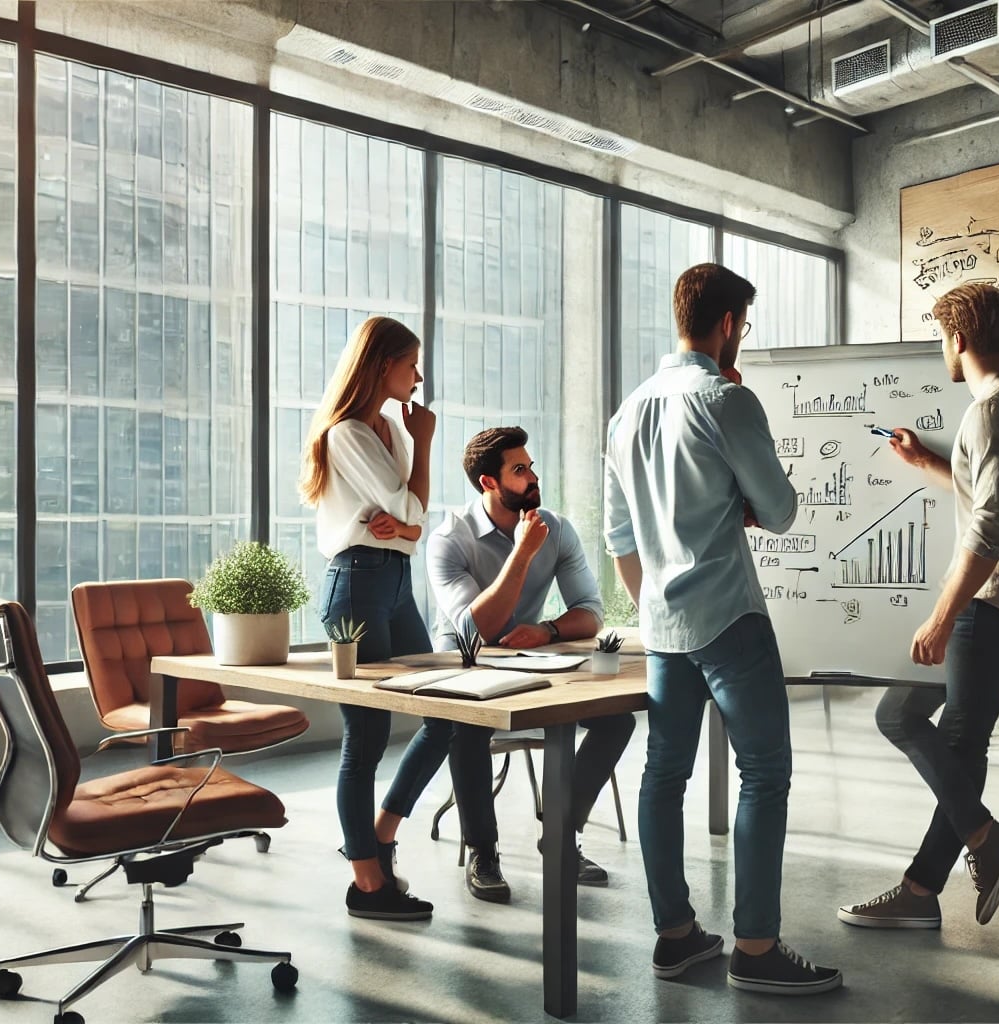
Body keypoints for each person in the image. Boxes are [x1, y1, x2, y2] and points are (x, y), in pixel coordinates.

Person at [604, 263, 841, 996]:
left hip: (664, 627)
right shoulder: (725, 400)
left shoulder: (626, 412)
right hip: (730, 619)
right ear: (729, 323)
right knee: (764, 774)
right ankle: (756, 948)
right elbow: (780, 510)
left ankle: (675, 937)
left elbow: (620, 540)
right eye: (745, 322)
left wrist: (657, 610)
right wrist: (740, 499)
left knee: (662, 777)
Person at [837, 281, 999, 931]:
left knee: (947, 732)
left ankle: (969, 852)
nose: (943, 346)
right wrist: (930, 461)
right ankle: (948, 866)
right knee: (910, 716)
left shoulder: (990, 412)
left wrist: (940, 617)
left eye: (942, 336)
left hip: (991, 602)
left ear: (958, 339)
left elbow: (991, 531)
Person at [372, 426, 635, 903]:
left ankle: (559, 832)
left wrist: (549, 630)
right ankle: (483, 853)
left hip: (530, 659)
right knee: (466, 726)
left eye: (530, 466)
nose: (533, 477)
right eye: (520, 470)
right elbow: (477, 630)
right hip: (464, 663)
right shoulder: (450, 539)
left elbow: (590, 612)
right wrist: (522, 553)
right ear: (488, 484)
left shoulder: (556, 527)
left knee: (616, 720)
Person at [299, 315, 438, 922]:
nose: (418, 375)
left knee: (444, 713)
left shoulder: (392, 431)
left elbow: (414, 526)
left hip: (395, 582)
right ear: (383, 365)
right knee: (367, 740)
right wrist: (407, 514)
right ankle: (367, 885)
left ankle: (379, 835)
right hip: (355, 585)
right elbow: (411, 507)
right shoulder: (348, 433)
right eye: (411, 363)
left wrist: (405, 524)